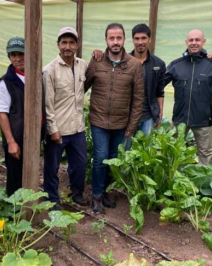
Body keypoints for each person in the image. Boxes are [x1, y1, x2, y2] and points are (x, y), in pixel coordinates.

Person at [85, 23, 144, 213]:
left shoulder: (134, 65)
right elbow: (82, 87)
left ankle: (106, 192)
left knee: (113, 159)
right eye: (112, 38)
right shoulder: (97, 62)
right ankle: (96, 195)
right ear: (106, 40)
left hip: (121, 123)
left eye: (119, 38)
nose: (115, 42)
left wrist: (132, 126)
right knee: (100, 158)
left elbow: (138, 98)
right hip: (99, 121)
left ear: (124, 40)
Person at [164, 29, 212, 165]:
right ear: (186, 42)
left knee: (205, 153)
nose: (194, 43)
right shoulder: (176, 65)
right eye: (191, 40)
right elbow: (157, 85)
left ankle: (203, 182)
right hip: (179, 118)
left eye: (197, 40)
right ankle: (171, 179)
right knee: (172, 151)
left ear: (203, 42)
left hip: (203, 119)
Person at [43, 27, 89, 208]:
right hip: (58, 129)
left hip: (78, 128)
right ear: (58, 45)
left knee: (80, 164)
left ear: (77, 45)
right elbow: (47, 103)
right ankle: (51, 199)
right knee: (52, 167)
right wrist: (52, 129)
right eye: (64, 42)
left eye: (71, 42)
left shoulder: (82, 65)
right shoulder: (49, 70)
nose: (67, 46)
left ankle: (76, 193)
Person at [0, 37, 27, 196]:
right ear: (9, 57)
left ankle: (29, 206)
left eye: (21, 53)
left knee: (28, 173)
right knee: (15, 176)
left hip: (31, 137)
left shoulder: (36, 76)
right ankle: (14, 210)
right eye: (13, 55)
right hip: (16, 137)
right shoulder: (6, 82)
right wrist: (10, 142)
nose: (18, 58)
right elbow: (2, 113)